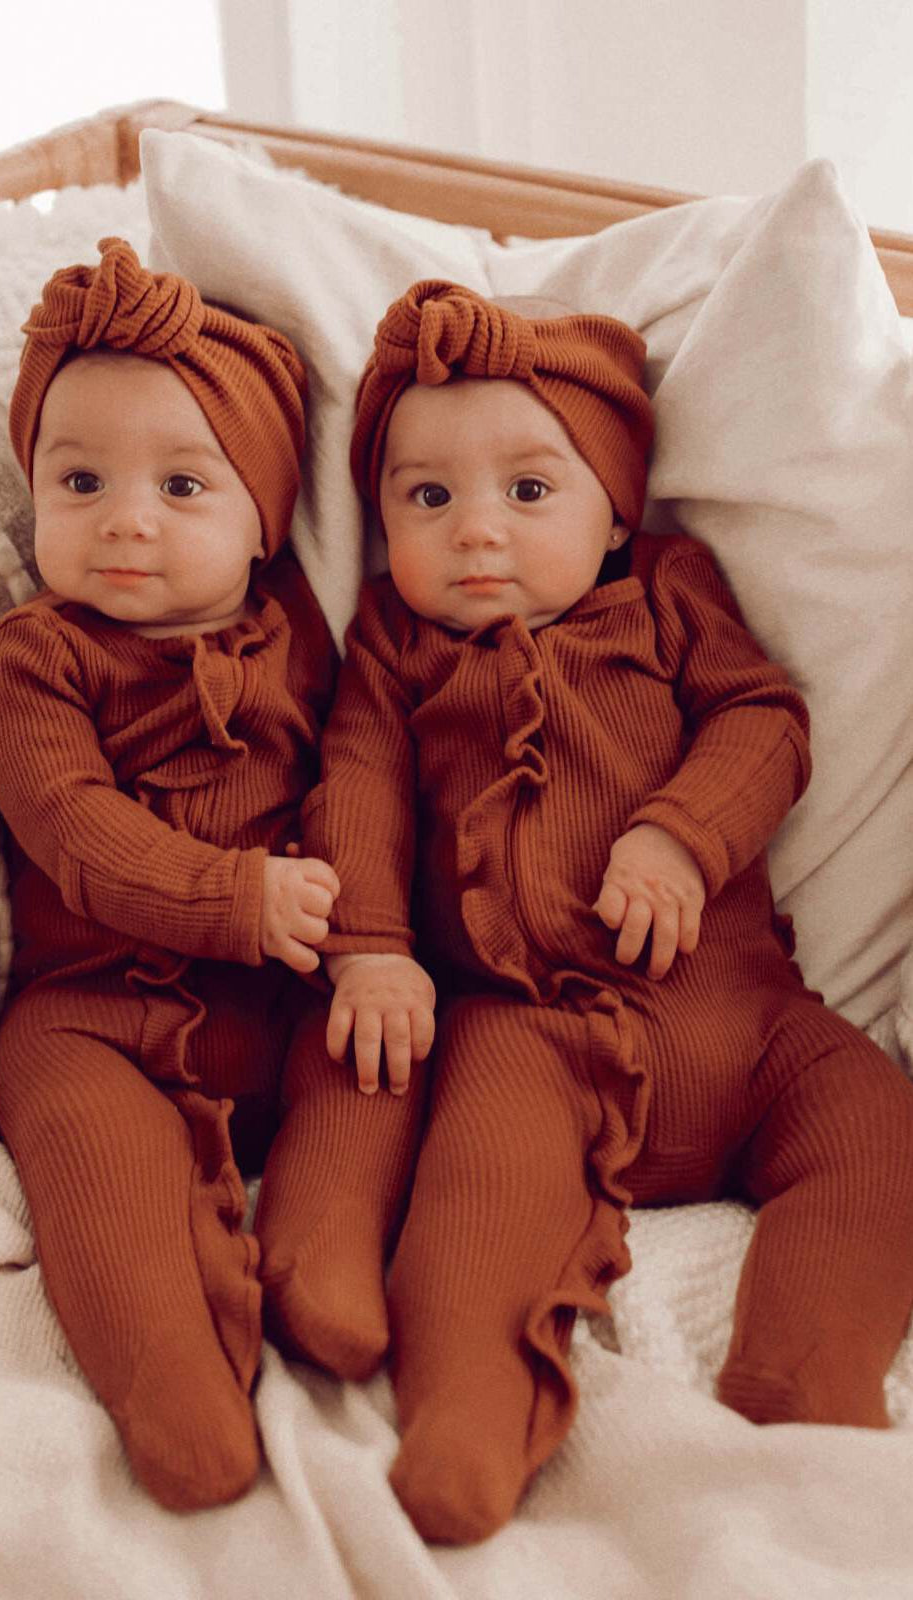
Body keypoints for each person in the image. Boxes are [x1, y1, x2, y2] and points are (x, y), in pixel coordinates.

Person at [255, 279, 913, 1544]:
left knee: (876, 1130)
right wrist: (373, 953)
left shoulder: (669, 591)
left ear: (614, 512)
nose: (475, 533)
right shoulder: (392, 646)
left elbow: (762, 720)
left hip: (745, 1023)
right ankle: (466, 1408)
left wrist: (676, 831)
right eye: (425, 497)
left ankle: (806, 1379)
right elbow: (357, 793)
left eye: (527, 489)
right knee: (475, 1200)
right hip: (529, 1027)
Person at [0, 238, 343, 1511]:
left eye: (184, 484)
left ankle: (324, 1266)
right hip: (93, 1013)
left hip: (284, 1001)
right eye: (79, 480)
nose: (125, 517)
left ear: (262, 525)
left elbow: (362, 774)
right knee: (97, 1176)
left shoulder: (300, 636)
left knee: (389, 1060)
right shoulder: (37, 657)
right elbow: (69, 823)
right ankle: (165, 1378)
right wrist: (226, 896)